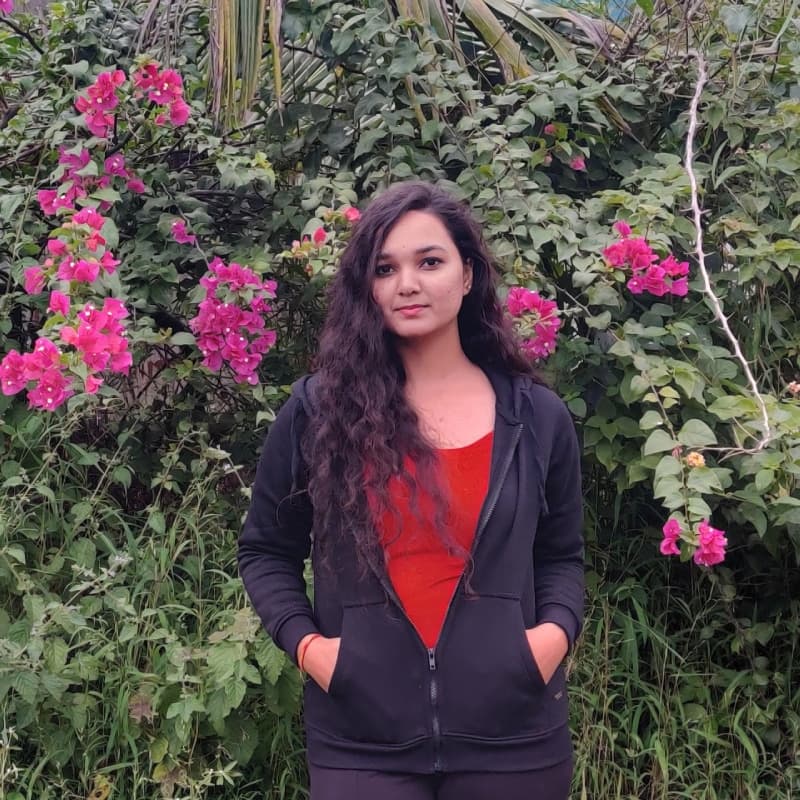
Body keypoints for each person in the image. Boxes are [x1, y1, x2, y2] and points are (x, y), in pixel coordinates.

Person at [238, 181, 584, 800]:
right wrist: (313, 650)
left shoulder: (537, 417)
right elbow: (265, 551)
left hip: (516, 744)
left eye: (429, 261)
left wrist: (549, 640)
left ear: (469, 274)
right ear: (366, 286)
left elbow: (561, 556)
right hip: (360, 745)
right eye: (385, 268)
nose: (407, 283)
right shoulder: (318, 411)